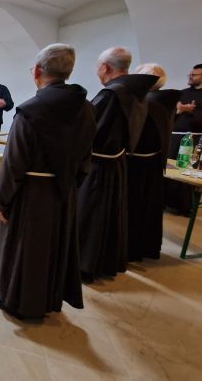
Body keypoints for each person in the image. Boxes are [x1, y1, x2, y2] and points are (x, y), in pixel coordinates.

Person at [0, 44, 96, 320]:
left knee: (25, 246)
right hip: (64, 190)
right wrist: (70, 185)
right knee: (53, 245)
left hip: (31, 193)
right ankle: (48, 297)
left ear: (36, 71)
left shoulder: (30, 111)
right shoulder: (87, 108)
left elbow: (13, 163)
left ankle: (17, 301)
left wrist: (2, 199)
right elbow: (86, 156)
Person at [77, 47, 157, 283]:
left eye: (98, 66)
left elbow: (90, 131)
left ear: (105, 67)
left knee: (91, 216)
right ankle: (105, 261)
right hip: (116, 162)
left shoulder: (111, 94)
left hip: (98, 165)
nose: (97, 71)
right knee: (109, 215)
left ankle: (85, 265)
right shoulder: (135, 91)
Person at [128, 64, 181, 260]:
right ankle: (144, 247)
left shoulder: (147, 104)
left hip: (137, 165)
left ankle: (131, 249)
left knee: (134, 209)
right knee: (147, 209)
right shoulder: (165, 101)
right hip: (152, 164)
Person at [164, 63, 202, 215]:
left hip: (194, 138)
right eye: (190, 74)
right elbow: (172, 113)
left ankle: (184, 206)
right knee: (170, 168)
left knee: (186, 169)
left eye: (194, 75)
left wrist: (191, 111)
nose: (190, 77)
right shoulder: (182, 93)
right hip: (175, 136)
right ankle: (167, 201)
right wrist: (180, 110)